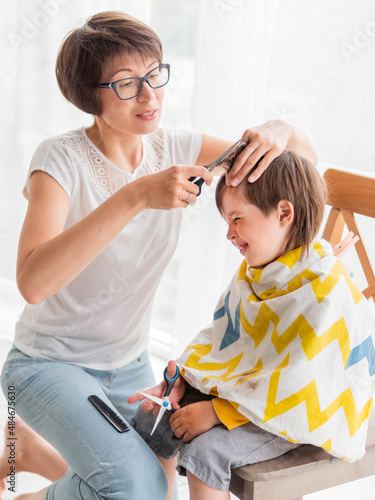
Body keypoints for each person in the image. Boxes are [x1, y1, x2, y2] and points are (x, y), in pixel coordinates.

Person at [0, 10, 318, 500]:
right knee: (135, 488)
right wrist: (135, 196)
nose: (150, 95)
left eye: (154, 75)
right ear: (91, 95)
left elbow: (302, 161)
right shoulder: (58, 159)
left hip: (127, 365)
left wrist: (281, 128)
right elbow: (32, 282)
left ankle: (27, 455)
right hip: (45, 365)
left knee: (152, 490)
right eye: (127, 84)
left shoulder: (178, 147)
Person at [129, 151, 375, 500]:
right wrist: (182, 376)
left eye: (237, 219)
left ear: (283, 213)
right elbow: (224, 337)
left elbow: (303, 382)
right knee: (152, 419)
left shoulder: (324, 288)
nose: (229, 233)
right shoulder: (257, 270)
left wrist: (218, 411)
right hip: (257, 389)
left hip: (298, 409)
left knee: (205, 454)